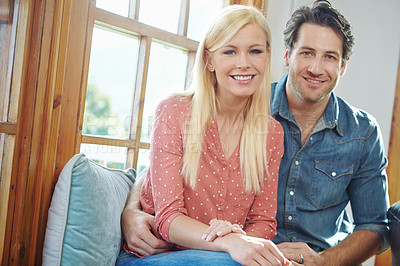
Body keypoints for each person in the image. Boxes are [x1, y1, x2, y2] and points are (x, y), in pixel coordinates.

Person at [121, 1, 390, 265]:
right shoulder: (231, 97)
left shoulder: (358, 132)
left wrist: (323, 262)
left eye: (329, 57)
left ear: (343, 66)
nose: (316, 68)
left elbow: (377, 226)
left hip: (273, 254)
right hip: (229, 252)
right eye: (307, 53)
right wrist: (130, 211)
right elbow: (162, 176)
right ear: (286, 56)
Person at [117, 5, 291, 266]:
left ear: (267, 56)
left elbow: (263, 221)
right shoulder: (175, 111)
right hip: (158, 256)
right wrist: (230, 241)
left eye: (255, 51)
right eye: (229, 51)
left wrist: (239, 243)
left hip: (225, 257)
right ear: (209, 60)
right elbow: (168, 220)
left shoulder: (271, 133)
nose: (243, 63)